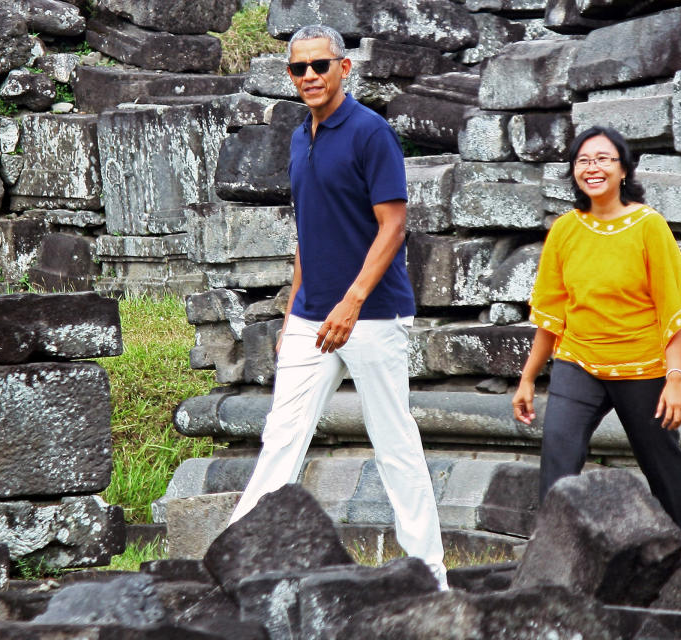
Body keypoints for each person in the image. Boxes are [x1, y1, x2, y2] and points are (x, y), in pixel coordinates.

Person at [227, 24, 448, 587]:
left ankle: (432, 578)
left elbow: (393, 226)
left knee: (395, 444)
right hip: (310, 315)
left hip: (371, 314)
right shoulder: (301, 137)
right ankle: (237, 569)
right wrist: (290, 313)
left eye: (319, 66)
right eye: (298, 69)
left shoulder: (371, 133)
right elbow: (309, 232)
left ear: (343, 69)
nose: (308, 77)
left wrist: (351, 303)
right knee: (281, 437)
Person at [511, 126, 681, 546]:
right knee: (558, 461)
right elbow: (551, 315)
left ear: (623, 170)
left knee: (664, 466)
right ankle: (553, 562)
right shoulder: (565, 229)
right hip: (578, 361)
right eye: (583, 160)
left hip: (642, 366)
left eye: (603, 159)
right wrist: (528, 378)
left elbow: (672, 309)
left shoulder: (648, 226)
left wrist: (675, 381)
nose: (592, 168)